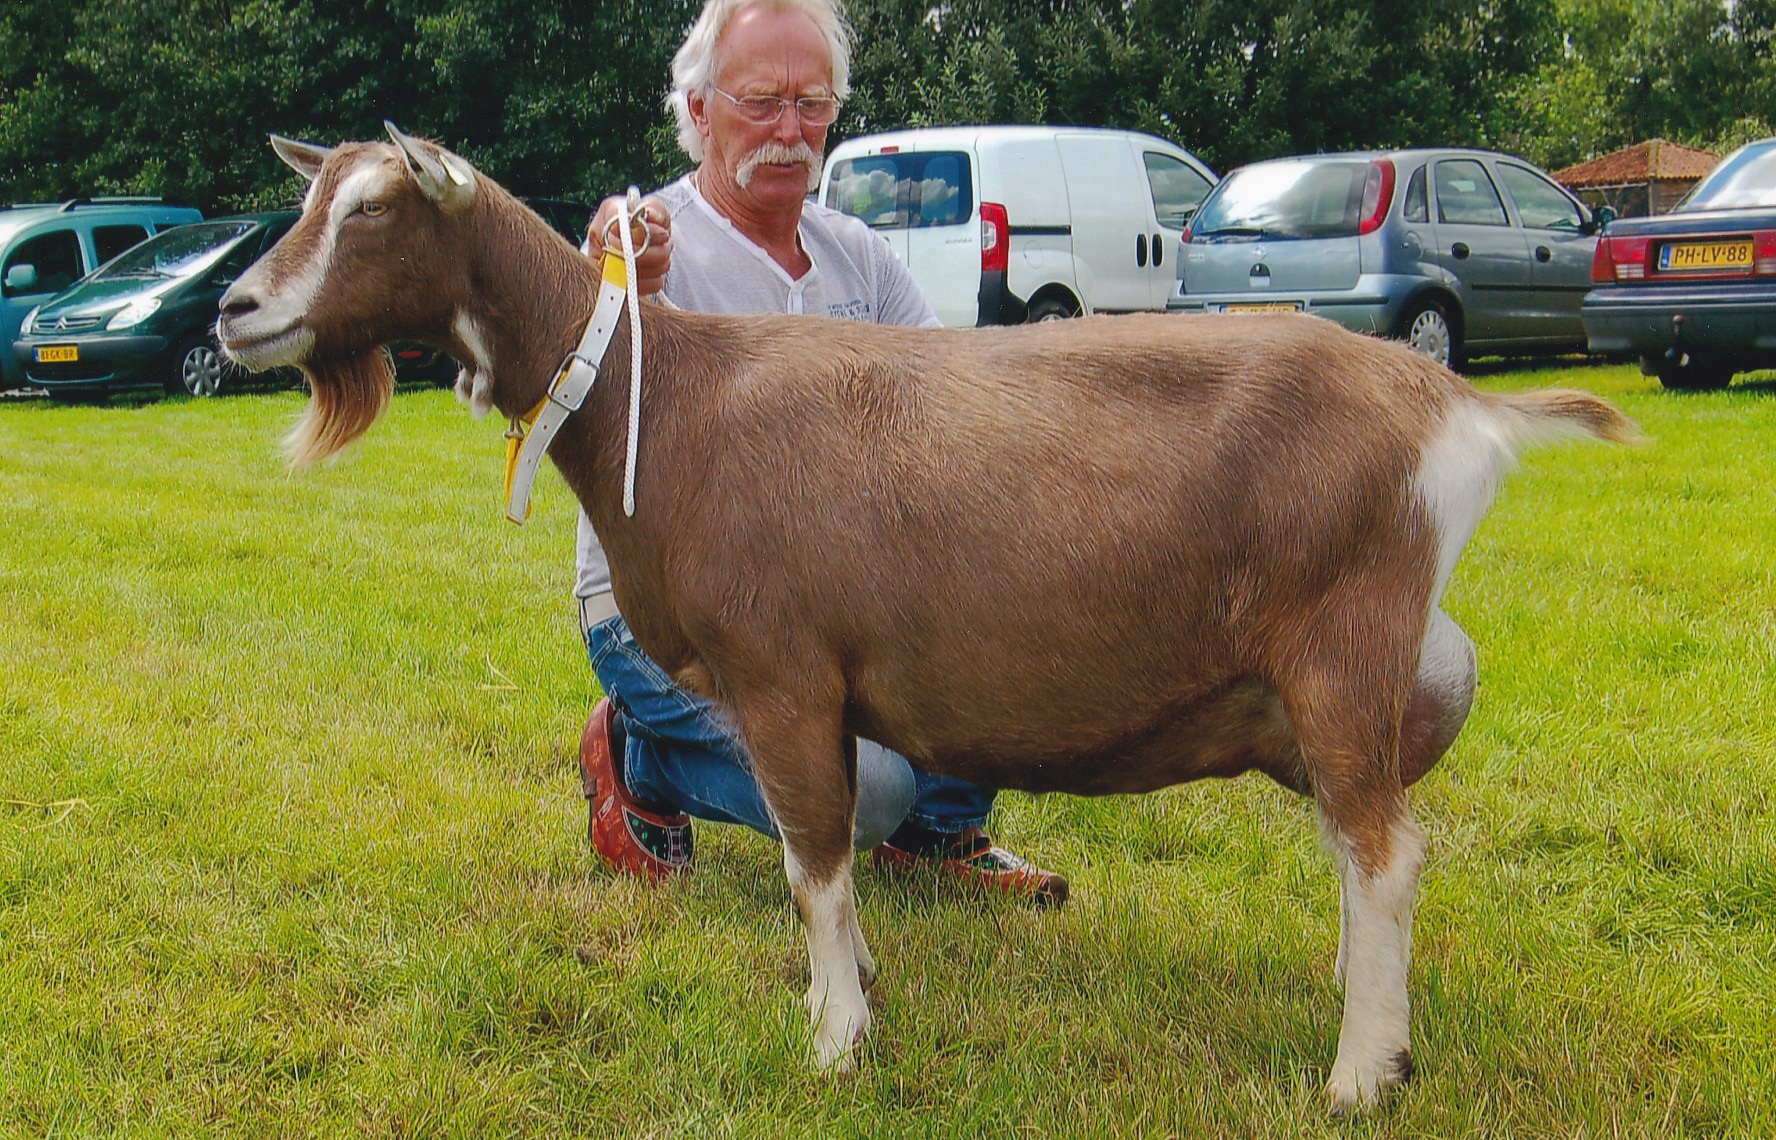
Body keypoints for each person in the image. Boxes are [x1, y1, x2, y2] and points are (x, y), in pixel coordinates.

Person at [574, 0, 1068, 905]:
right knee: (864, 793)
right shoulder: (652, 247)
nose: (791, 131)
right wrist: (621, 270)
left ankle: (939, 835)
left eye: (813, 104)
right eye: (762, 103)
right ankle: (640, 756)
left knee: (1014, 627)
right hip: (673, 620)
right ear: (699, 110)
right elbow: (600, 310)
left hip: (846, 605)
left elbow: (957, 403)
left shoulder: (858, 258)